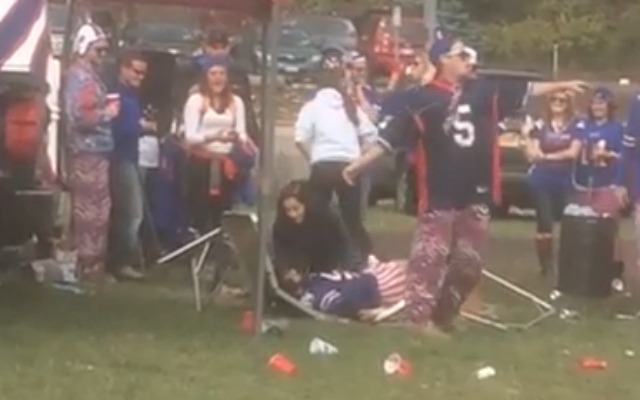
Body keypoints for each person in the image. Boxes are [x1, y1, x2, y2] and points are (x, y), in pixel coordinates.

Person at [342, 36, 586, 335]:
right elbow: (388, 140)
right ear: (444, 60)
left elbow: (526, 89)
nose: (470, 60)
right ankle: (419, 322)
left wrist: (561, 85)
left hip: (476, 192)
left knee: (469, 264)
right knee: (428, 258)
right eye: (462, 55)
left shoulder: (484, 91)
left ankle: (444, 316)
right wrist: (356, 167)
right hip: (439, 194)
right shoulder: (421, 99)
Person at [295, 67, 377, 264]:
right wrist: (360, 158)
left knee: (317, 214)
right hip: (349, 167)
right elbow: (372, 135)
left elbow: (300, 139)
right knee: (352, 218)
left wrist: (313, 158)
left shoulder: (311, 107)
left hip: (322, 165)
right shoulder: (350, 107)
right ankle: (364, 258)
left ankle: (319, 259)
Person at [64, 23, 118, 284]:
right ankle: (88, 264)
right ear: (84, 47)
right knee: (90, 211)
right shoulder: (81, 77)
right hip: (87, 151)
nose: (102, 55)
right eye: (98, 50)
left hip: (96, 151)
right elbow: (78, 115)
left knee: (98, 209)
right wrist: (106, 114)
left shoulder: (88, 75)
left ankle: (92, 264)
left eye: (105, 50)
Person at [183, 54, 248, 232]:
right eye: (213, 73)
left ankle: (220, 250)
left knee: (223, 210)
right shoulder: (196, 101)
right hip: (201, 163)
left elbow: (242, 132)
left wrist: (238, 138)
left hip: (226, 163)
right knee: (200, 210)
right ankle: (200, 248)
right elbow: (190, 136)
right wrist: (214, 136)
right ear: (206, 76)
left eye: (222, 73)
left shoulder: (236, 102)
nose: (218, 78)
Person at [521, 92, 581, 276]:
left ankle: (568, 264)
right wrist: (525, 137)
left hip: (566, 179)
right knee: (544, 222)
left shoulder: (575, 126)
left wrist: (547, 156)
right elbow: (532, 154)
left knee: (569, 222)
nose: (557, 103)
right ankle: (545, 266)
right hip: (542, 179)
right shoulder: (542, 125)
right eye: (553, 99)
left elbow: (573, 152)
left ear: (568, 104)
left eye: (562, 100)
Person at [107, 50, 155, 281]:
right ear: (123, 68)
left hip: (131, 157)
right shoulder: (115, 95)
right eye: (136, 71)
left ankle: (121, 260)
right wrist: (142, 127)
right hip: (119, 159)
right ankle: (120, 262)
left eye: (143, 73)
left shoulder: (134, 96)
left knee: (127, 213)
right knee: (132, 213)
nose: (140, 77)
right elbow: (114, 129)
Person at [572, 88, 627, 289]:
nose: (597, 107)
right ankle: (588, 270)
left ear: (609, 106)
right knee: (583, 228)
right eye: (594, 103)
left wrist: (609, 155)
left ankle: (615, 273)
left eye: (602, 103)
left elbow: (626, 156)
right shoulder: (581, 125)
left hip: (608, 182)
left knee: (609, 229)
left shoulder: (618, 128)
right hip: (583, 182)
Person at [281, 256, 407, 320]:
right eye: (289, 274)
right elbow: (344, 302)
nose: (292, 271)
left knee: (415, 265)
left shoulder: (313, 280)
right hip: (377, 285)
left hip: (372, 278)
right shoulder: (316, 296)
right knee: (418, 270)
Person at [272, 180, 352, 274]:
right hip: (301, 267)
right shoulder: (281, 225)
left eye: (296, 209)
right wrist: (288, 269)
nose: (292, 214)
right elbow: (282, 251)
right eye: (287, 210)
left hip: (330, 260)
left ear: (305, 204)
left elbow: (343, 242)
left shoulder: (325, 216)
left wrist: (342, 267)